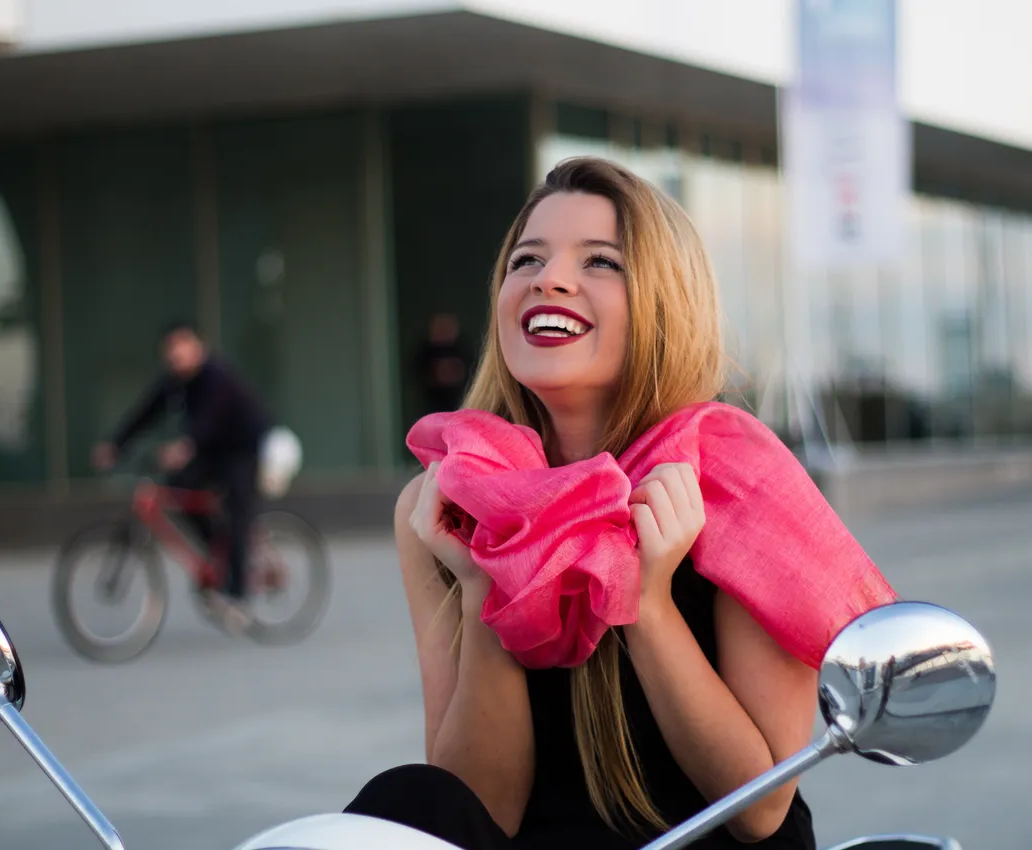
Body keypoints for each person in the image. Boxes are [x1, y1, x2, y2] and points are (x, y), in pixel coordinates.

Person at [341, 158, 895, 850]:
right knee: (405, 799)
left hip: (701, 844)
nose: (549, 278)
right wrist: (488, 580)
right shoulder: (442, 502)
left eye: (600, 262)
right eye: (527, 260)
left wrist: (649, 601)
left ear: (664, 301)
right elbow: (472, 813)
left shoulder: (735, 482)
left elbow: (758, 809)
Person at [91, 319, 273, 632]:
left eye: (183, 345)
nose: (177, 354)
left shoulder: (218, 376)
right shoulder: (174, 382)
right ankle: (218, 549)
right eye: (171, 348)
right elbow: (145, 412)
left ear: (198, 346)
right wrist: (115, 445)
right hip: (209, 451)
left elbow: (211, 420)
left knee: (238, 510)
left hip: (242, 448)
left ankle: (239, 594)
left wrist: (186, 446)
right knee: (179, 490)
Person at [417, 312, 471, 414]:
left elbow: (470, 371)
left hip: (458, 400)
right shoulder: (427, 351)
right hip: (434, 402)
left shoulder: (461, 349)